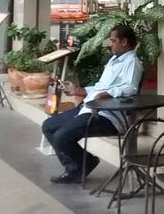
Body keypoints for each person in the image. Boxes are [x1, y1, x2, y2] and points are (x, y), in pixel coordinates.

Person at [41, 24, 143, 184]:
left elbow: (131, 88)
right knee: (49, 126)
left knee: (61, 136)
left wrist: (108, 93)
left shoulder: (132, 62)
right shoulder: (114, 60)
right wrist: (77, 90)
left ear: (124, 42)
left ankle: (78, 168)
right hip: (89, 108)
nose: (110, 44)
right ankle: (83, 163)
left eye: (113, 41)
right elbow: (100, 87)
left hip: (107, 116)